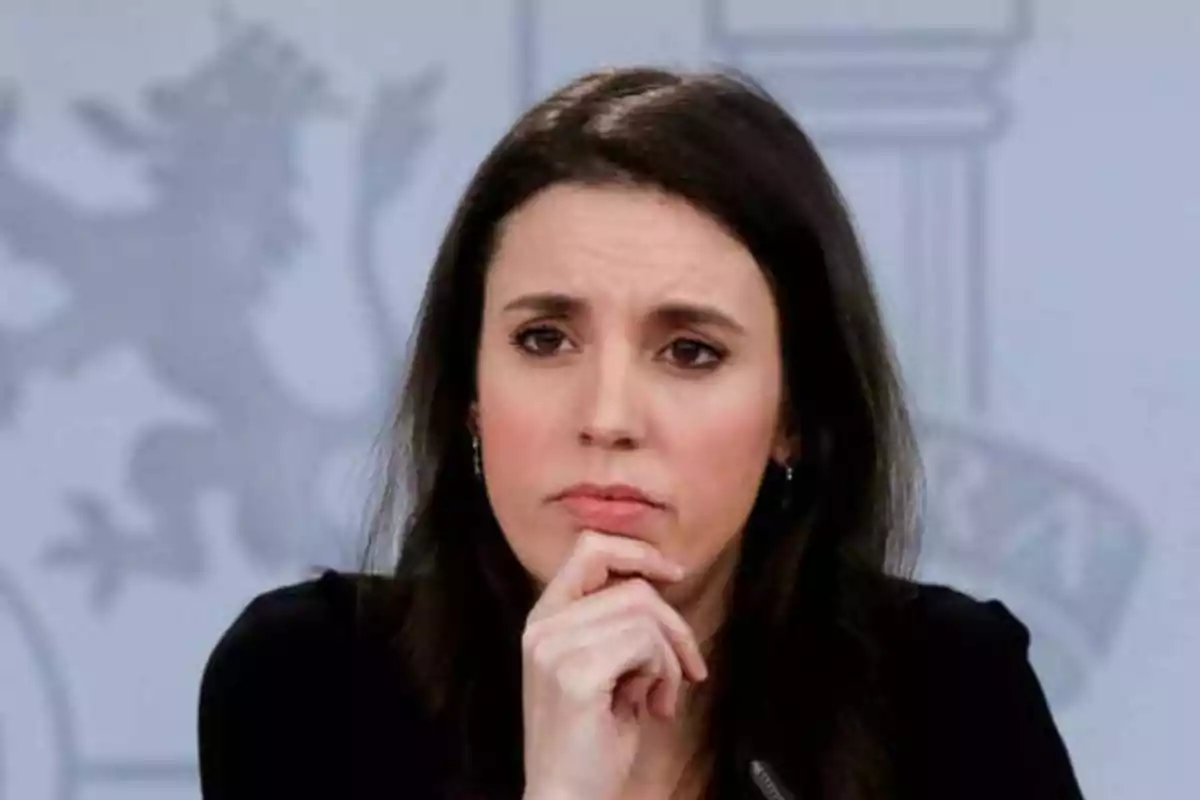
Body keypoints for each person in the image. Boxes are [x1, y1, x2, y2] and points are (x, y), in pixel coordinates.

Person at [197, 67, 1086, 800]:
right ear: (470, 396)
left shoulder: (948, 695)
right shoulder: (306, 689)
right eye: (544, 340)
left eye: (690, 351)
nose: (608, 417)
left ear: (791, 420)